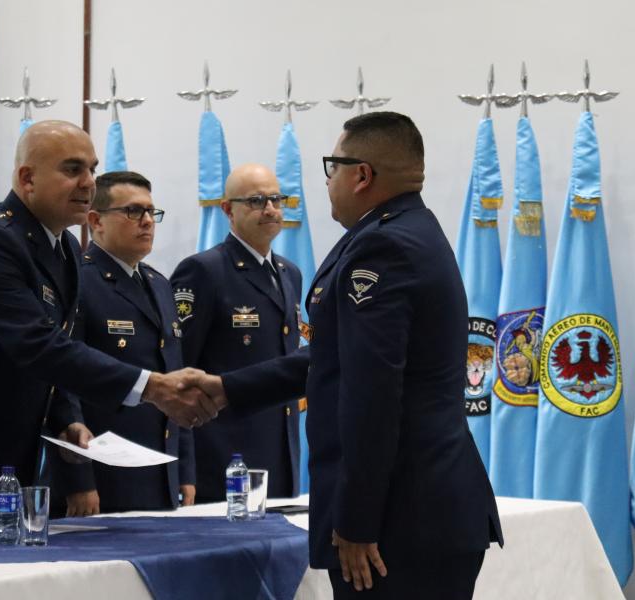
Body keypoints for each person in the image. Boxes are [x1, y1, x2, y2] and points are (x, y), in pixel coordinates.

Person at [188, 113, 503, 598]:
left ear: (361, 175)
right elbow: (339, 359)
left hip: (398, 522)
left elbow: (373, 394)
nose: (328, 181)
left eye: (332, 167)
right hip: (424, 511)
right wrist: (229, 388)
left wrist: (357, 521)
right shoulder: (411, 229)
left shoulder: (382, 247)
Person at [0, 121, 215, 536]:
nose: (88, 182)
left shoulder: (66, 247)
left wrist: (66, 419)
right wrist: (153, 386)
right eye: (72, 169)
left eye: (91, 168)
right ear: (27, 178)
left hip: (5, 470)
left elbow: (56, 352)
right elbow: (39, 347)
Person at [58, 171, 195, 515]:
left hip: (161, 472)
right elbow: (62, 385)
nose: (147, 221)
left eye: (151, 212)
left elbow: (176, 381)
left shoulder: (160, 285)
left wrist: (185, 469)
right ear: (95, 221)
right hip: (104, 477)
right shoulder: (78, 283)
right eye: (134, 212)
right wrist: (79, 480)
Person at [170, 164, 302, 502]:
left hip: (280, 452)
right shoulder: (204, 271)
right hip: (223, 456)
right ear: (228, 209)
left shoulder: (289, 273)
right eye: (257, 201)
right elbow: (178, 376)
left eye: (276, 199)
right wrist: (185, 467)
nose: (271, 209)